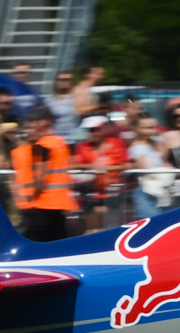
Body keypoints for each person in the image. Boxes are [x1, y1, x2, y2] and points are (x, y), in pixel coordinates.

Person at [9, 106, 77, 242]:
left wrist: (32, 197)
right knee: (59, 240)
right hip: (59, 202)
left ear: (45, 122)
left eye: (35, 121)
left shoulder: (43, 144)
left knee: (29, 239)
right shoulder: (59, 142)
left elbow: (41, 175)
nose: (33, 124)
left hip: (44, 203)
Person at [74, 115, 130, 232]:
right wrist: (90, 166)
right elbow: (74, 165)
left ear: (104, 129)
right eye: (90, 130)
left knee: (114, 229)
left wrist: (108, 168)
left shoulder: (117, 143)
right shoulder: (82, 147)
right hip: (92, 194)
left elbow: (128, 165)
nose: (93, 133)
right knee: (92, 230)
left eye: (96, 129)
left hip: (114, 193)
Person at [48, 71, 79, 140]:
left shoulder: (76, 99)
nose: (62, 82)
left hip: (73, 139)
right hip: (56, 140)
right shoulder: (49, 101)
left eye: (66, 80)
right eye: (59, 80)